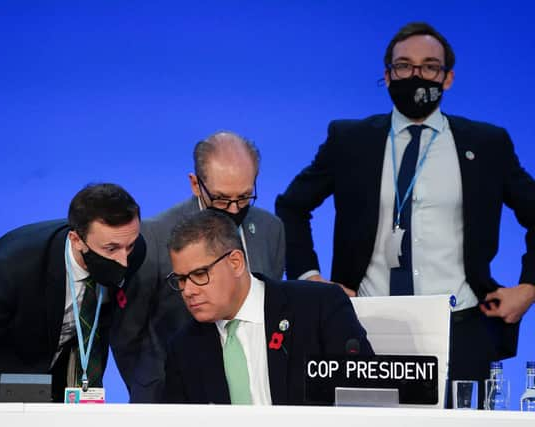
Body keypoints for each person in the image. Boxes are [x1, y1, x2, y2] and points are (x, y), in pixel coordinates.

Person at [274, 21, 535, 406]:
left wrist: (529, 288)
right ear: (387, 75)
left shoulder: (487, 144)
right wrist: (310, 278)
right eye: (404, 66)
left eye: (429, 66)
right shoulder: (350, 140)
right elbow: (292, 205)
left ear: (447, 79)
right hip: (362, 320)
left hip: (459, 323)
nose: (416, 75)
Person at [0, 183, 146, 402]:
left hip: (47, 379)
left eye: (130, 245)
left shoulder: (131, 251)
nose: (124, 260)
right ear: (76, 240)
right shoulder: (11, 267)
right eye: (111, 249)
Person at [112, 131, 286, 402]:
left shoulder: (270, 229)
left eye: (244, 197)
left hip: (254, 393)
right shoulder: (155, 237)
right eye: (220, 198)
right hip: (172, 395)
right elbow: (128, 334)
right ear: (195, 184)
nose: (232, 208)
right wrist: (150, 390)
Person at [163, 210, 373, 404]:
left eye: (199, 275)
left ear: (235, 263)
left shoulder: (317, 307)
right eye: (181, 280)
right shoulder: (183, 348)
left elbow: (369, 394)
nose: (188, 291)